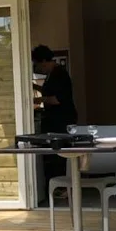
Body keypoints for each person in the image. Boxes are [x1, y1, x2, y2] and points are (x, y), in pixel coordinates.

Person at [31, 44, 77, 186]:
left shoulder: (59, 74)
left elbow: (57, 99)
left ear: (44, 61)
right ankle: (58, 185)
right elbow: (48, 90)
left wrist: (37, 100)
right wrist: (35, 86)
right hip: (57, 119)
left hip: (61, 120)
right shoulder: (51, 74)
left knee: (59, 154)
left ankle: (62, 185)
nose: (36, 68)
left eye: (37, 64)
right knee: (54, 154)